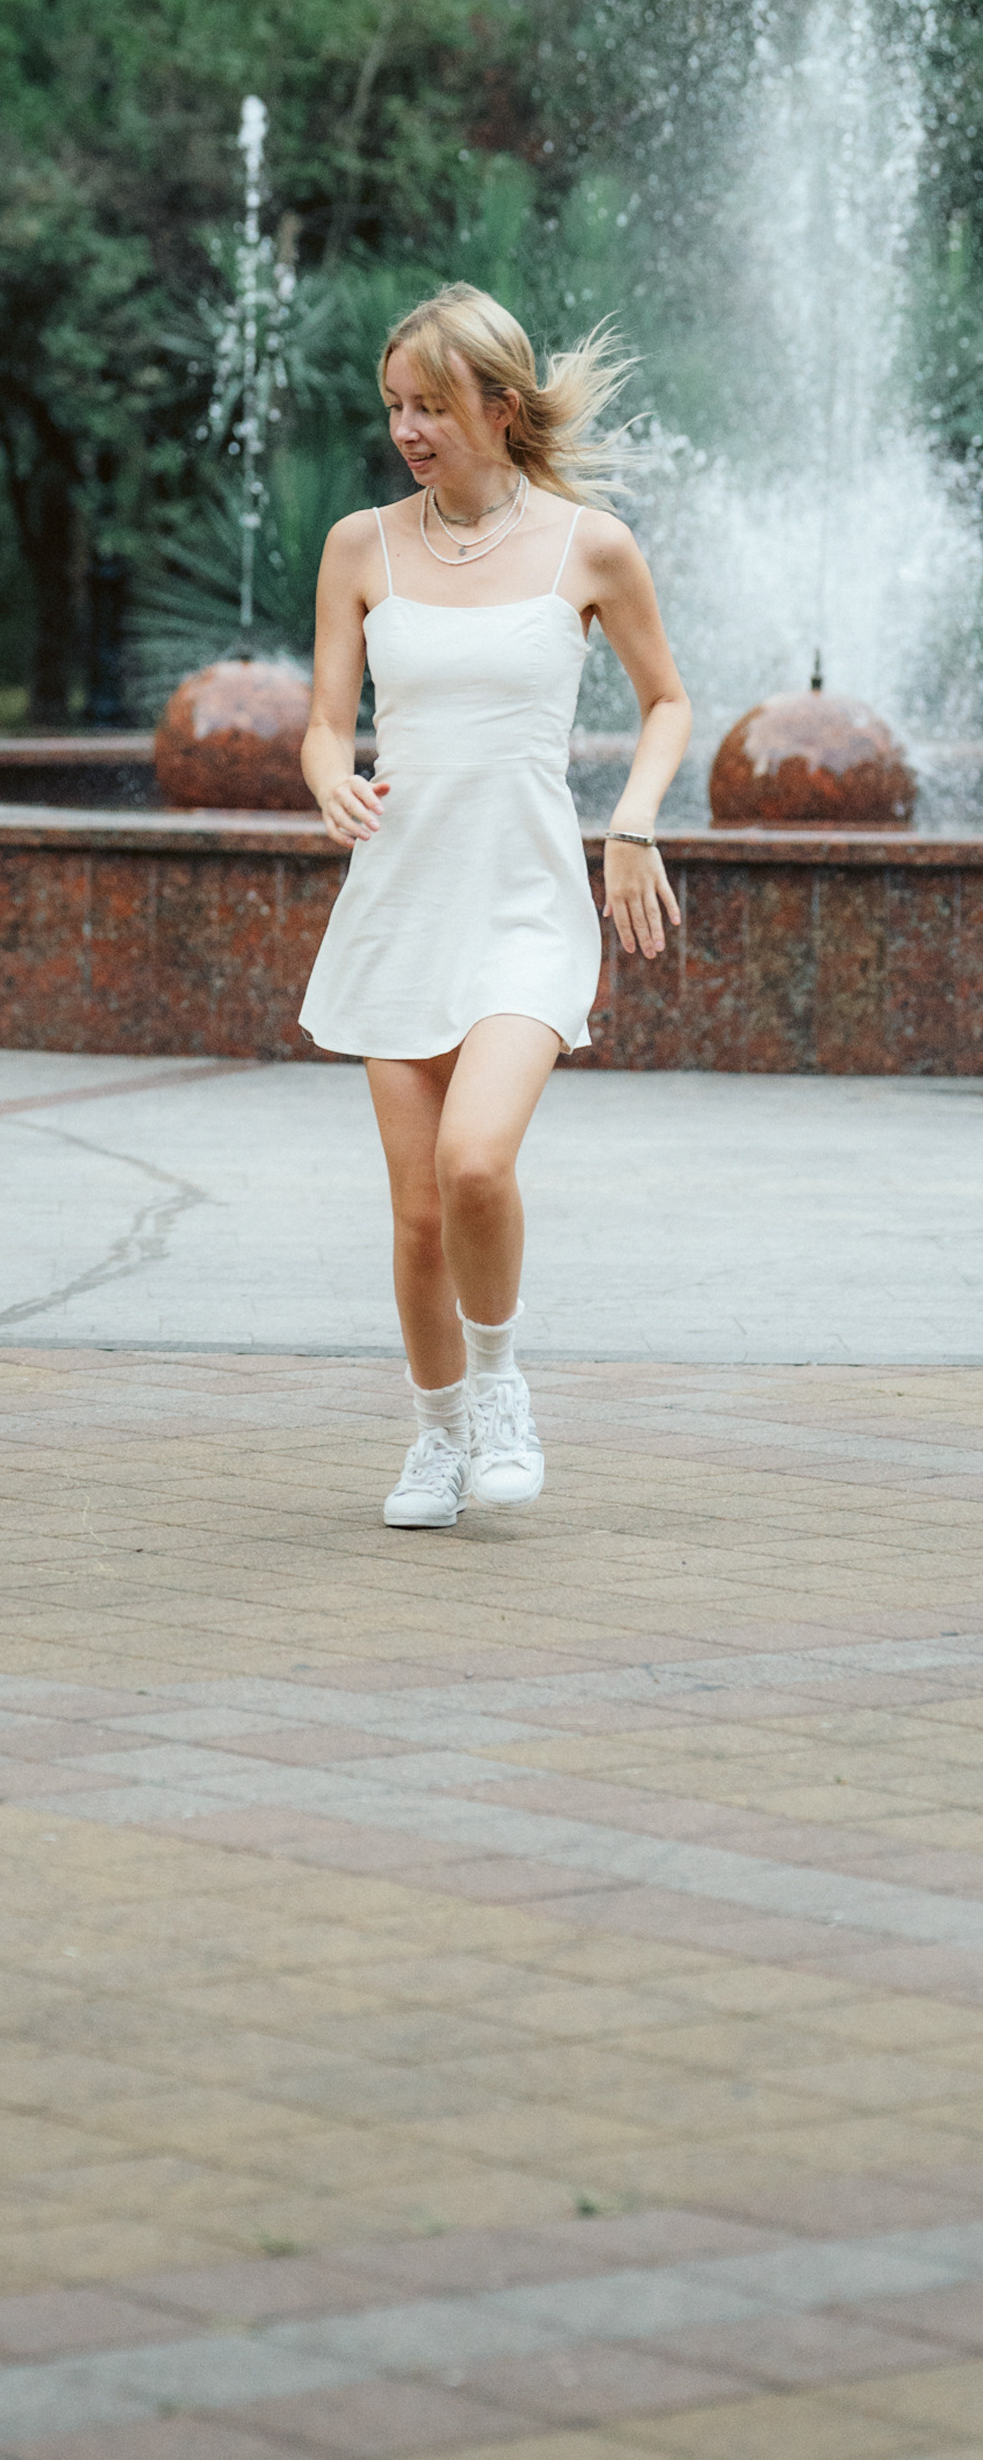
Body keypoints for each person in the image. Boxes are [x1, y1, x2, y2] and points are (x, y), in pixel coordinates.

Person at [299, 282, 689, 1529]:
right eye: (392, 407)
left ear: (499, 405)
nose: (404, 430)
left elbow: (666, 701)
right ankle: (435, 1440)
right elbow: (323, 725)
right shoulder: (359, 547)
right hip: (399, 902)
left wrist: (630, 824)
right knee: (417, 1217)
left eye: (428, 406)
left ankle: (500, 1385)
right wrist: (327, 781)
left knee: (473, 1162)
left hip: (525, 902)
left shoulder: (588, 546)